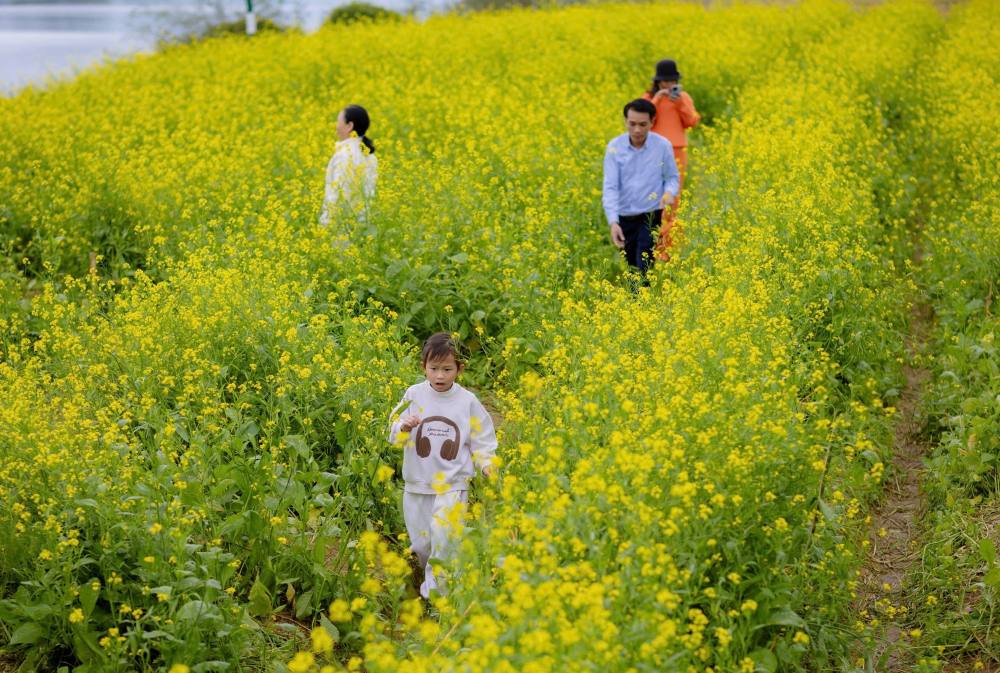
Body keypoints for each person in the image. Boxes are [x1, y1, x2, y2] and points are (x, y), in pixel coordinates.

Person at [387, 333, 497, 599]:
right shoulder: (413, 394)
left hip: (452, 485)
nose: (439, 376)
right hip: (417, 484)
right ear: (423, 366)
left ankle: (438, 599)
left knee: (445, 541)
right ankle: (432, 580)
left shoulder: (467, 401)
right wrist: (403, 426)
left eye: (447, 369)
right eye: (433, 368)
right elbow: (392, 433)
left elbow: (482, 438)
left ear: (459, 369)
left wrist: (486, 464)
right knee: (423, 544)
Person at [602, 98, 680, 277]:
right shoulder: (614, 147)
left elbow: (672, 177)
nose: (637, 130)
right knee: (631, 266)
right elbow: (610, 187)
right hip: (624, 215)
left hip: (650, 213)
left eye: (643, 124)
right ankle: (637, 300)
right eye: (632, 124)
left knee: (644, 262)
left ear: (653, 122)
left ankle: (641, 301)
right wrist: (613, 222)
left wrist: (669, 192)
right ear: (625, 122)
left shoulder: (662, 145)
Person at [642, 59, 700, 259]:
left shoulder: (682, 97)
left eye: (671, 81)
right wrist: (657, 98)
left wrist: (680, 102)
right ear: (657, 82)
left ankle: (667, 250)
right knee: (654, 198)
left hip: (677, 151)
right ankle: (650, 246)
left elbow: (691, 121)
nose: (668, 85)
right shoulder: (649, 98)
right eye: (664, 82)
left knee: (672, 198)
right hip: (654, 151)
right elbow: (642, 120)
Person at [319, 104, 378, 229]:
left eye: (338, 121)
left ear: (349, 126)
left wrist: (325, 225)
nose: (336, 126)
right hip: (363, 224)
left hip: (342, 227)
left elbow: (338, 194)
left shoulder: (344, 156)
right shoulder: (370, 155)